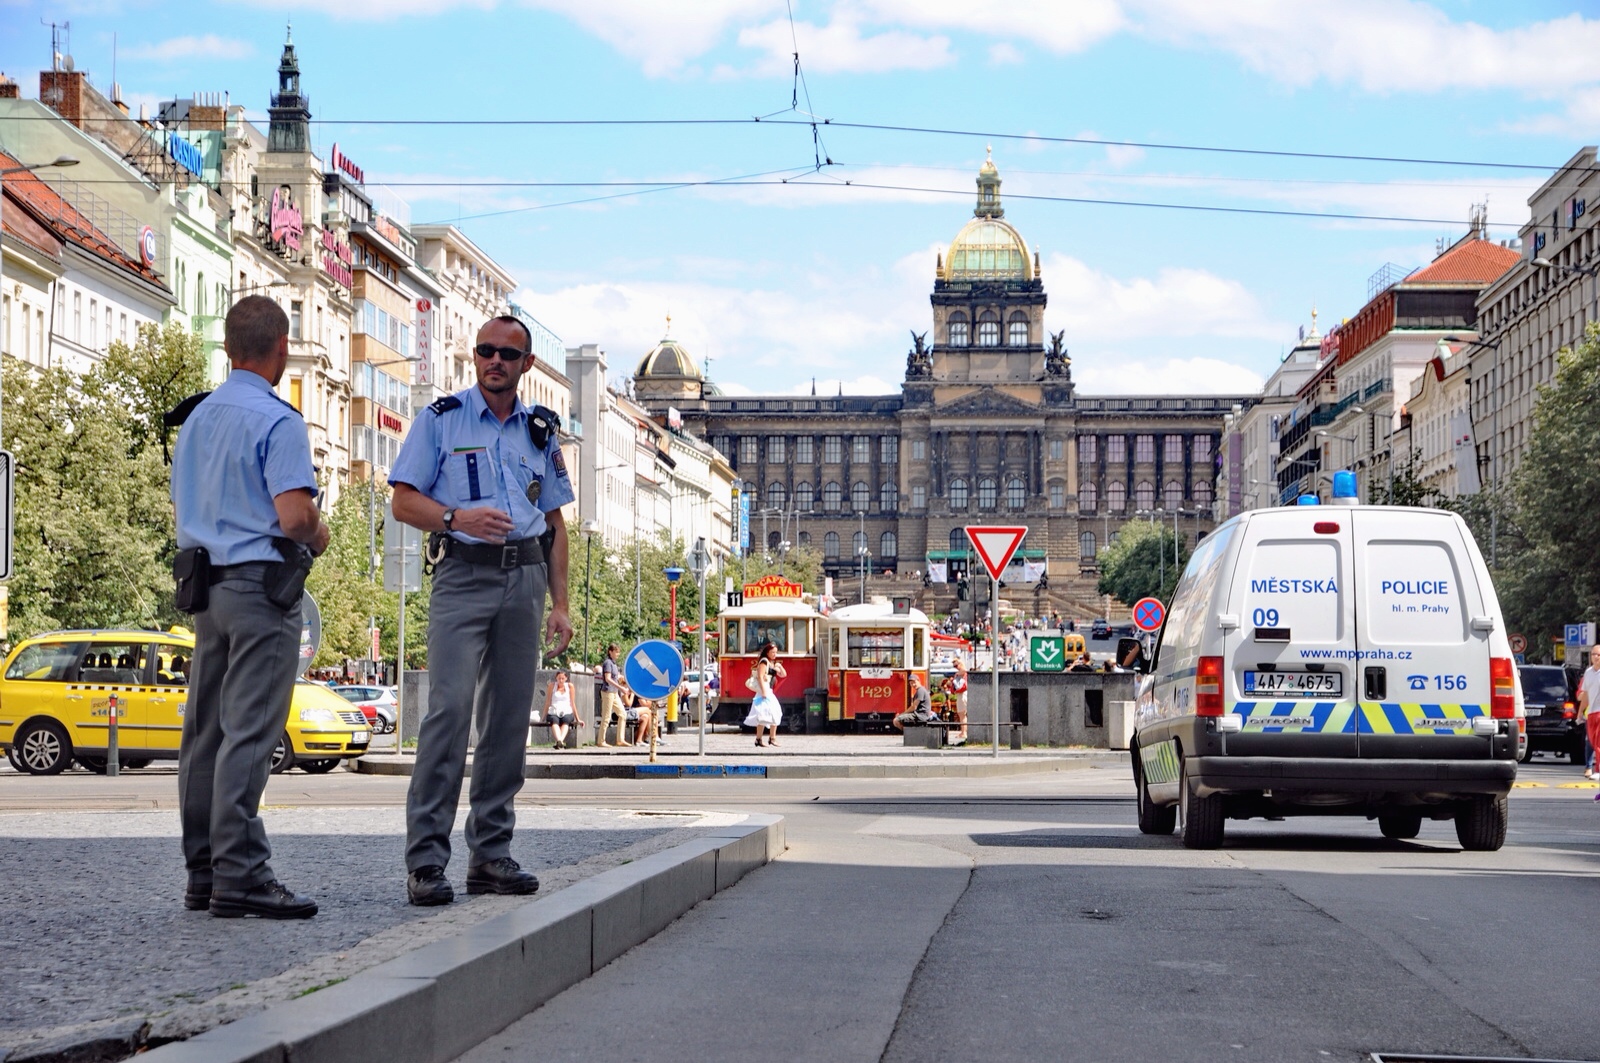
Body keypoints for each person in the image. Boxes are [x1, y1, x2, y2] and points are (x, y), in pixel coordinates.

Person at [390, 314, 574, 907]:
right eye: (485, 351)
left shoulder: (541, 434)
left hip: (523, 579)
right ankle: (426, 862)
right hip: (463, 574)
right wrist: (455, 517)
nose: (495, 361)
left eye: (507, 353)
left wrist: (560, 604)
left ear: (526, 366)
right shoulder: (440, 420)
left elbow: (555, 525)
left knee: (506, 722)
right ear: (475, 358)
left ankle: (490, 855)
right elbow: (402, 501)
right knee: (447, 712)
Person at [170, 295, 331, 920]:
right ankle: (242, 875)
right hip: (261, 590)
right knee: (250, 733)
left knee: (204, 733)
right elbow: (293, 516)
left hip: (203, 589)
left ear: (229, 347)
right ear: (281, 348)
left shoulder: (198, 418)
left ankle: (203, 872)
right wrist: (318, 534)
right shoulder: (279, 420)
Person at [744, 642, 786, 747]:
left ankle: (761, 739)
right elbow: (760, 676)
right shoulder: (764, 662)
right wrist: (763, 691)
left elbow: (784, 674)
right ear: (767, 652)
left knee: (767, 715)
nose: (774, 654)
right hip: (765, 690)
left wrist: (779, 666)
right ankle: (770, 738)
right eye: (772, 652)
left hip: (769, 691)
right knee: (770, 713)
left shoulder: (772, 663)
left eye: (776, 652)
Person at [596, 643, 627, 747]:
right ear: (610, 652)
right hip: (608, 692)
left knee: (622, 714)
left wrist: (622, 681)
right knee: (606, 716)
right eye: (616, 652)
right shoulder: (607, 663)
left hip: (614, 692)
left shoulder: (614, 664)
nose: (618, 654)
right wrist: (621, 687)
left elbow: (615, 677)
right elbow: (608, 679)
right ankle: (601, 740)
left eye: (618, 652)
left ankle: (620, 739)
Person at [541, 671, 581, 749]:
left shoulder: (570, 686)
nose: (561, 680)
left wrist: (578, 718)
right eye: (559, 678)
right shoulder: (552, 686)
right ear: (556, 678)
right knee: (554, 720)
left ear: (566, 678)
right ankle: (560, 741)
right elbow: (548, 702)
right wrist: (543, 717)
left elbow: (572, 703)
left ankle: (560, 740)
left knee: (566, 721)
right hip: (554, 710)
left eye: (563, 678)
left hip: (566, 710)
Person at [1581, 644, 1600, 782]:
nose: (1596, 657)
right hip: (1591, 713)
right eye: (1594, 654)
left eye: (1599, 655)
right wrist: (1580, 712)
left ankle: (1598, 769)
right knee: (1593, 742)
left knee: (1598, 742)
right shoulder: (1588, 673)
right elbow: (1585, 695)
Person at [941, 658, 969, 744]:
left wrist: (956, 675)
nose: (956, 667)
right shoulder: (961, 672)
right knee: (962, 714)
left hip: (962, 694)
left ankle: (964, 732)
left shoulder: (962, 671)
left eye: (956, 665)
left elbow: (964, 671)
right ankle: (963, 731)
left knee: (962, 713)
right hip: (962, 694)